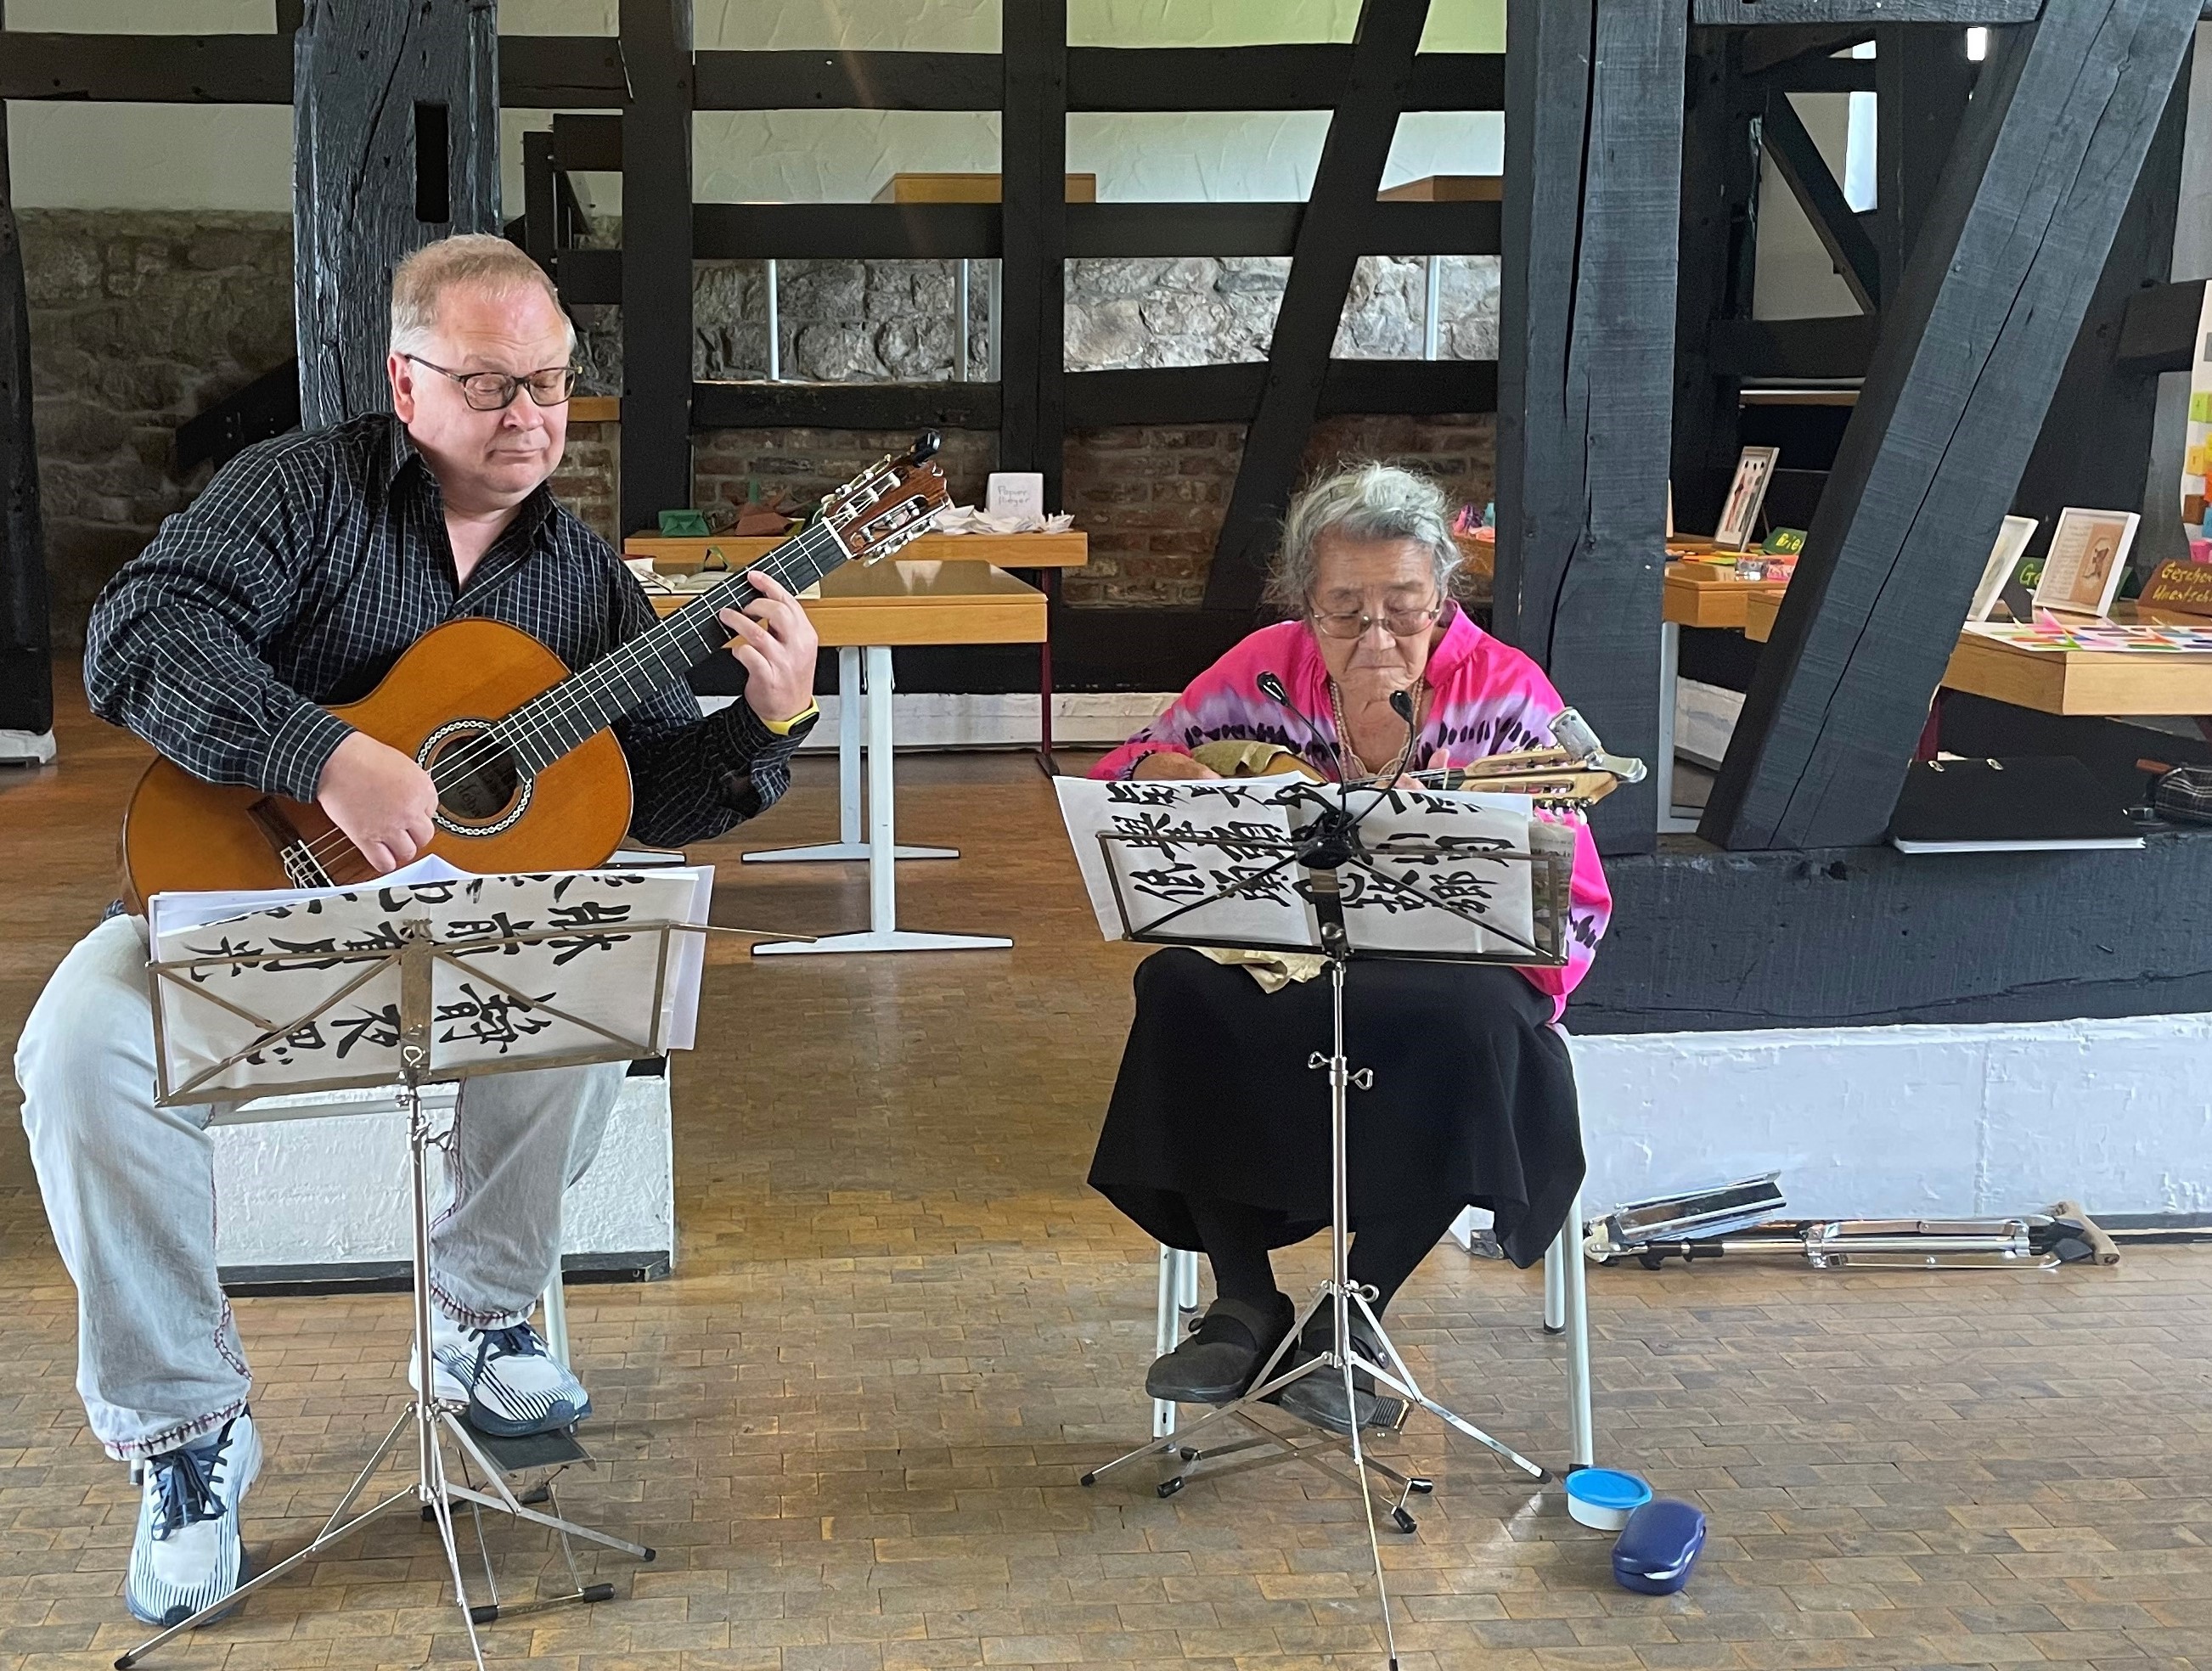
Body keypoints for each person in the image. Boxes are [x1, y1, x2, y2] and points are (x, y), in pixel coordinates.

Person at [14, 234, 821, 1629]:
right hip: (250, 899)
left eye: (552, 384)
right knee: (78, 1046)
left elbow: (646, 793)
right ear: (405, 382)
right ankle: (189, 1432)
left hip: (457, 949)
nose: (532, 417)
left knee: (598, 954)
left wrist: (769, 721)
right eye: (492, 384)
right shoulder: (303, 492)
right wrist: (325, 755)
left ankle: (478, 1317)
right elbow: (139, 633)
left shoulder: (578, 578)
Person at [1088, 463, 1611, 1436]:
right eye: (1344, 610)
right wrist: (1170, 772)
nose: (1375, 637)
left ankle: (1354, 1318)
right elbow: (1127, 773)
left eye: (1403, 608)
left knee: (1469, 1024)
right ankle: (1243, 1302)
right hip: (1291, 953)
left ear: (1442, 594)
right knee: (1178, 987)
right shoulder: (1265, 670)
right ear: (1303, 599)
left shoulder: (1504, 695)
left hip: (1450, 976)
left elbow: (1565, 903)